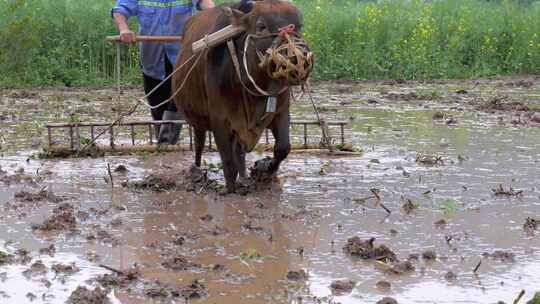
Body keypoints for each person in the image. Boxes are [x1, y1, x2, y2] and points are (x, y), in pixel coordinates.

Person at [111, 0, 215, 144]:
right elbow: (119, 10)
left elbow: (205, 3)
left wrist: (211, 17)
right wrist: (124, 29)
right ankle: (163, 143)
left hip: (181, 57)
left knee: (178, 101)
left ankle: (167, 144)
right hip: (152, 59)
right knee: (157, 105)